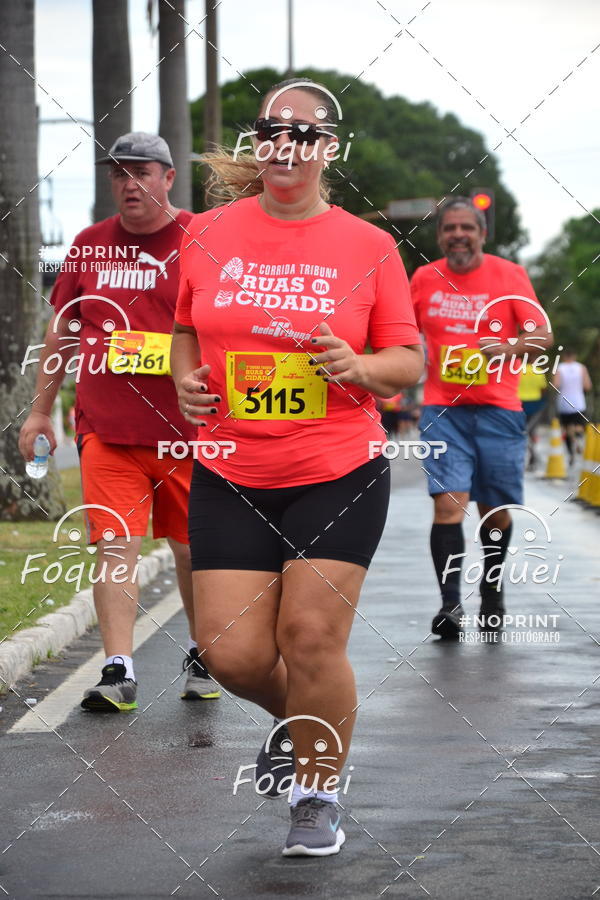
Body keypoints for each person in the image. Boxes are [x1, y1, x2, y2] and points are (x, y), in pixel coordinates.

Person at [171, 78, 423, 856]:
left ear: (329, 149)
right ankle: (306, 719)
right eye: (271, 129)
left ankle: (316, 795)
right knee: (232, 654)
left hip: (335, 468)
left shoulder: (368, 245)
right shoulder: (207, 232)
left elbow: (408, 361)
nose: (286, 143)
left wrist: (359, 363)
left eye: (304, 132)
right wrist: (186, 380)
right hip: (231, 469)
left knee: (309, 636)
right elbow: (186, 326)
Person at [19, 133, 220, 710]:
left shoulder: (202, 240)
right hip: (107, 430)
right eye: (119, 175)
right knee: (115, 546)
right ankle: (118, 670)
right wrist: (39, 410)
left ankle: (203, 652)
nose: (129, 184)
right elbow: (60, 333)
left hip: (188, 432)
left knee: (190, 552)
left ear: (168, 178)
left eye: (142, 173)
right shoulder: (88, 246)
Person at [410, 197, 552, 637]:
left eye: (466, 228)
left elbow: (543, 336)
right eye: (449, 228)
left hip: (499, 412)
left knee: (495, 512)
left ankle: (491, 591)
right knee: (448, 505)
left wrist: (507, 350)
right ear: (440, 236)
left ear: (482, 234)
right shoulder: (423, 278)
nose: (458, 235)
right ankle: (450, 604)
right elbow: (396, 330)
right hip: (443, 411)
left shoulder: (509, 276)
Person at [553, 349, 592, 464]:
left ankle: (571, 452)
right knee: (578, 426)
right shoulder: (581, 368)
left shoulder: (559, 368)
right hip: (579, 402)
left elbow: (556, 385)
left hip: (564, 403)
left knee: (566, 428)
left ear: (564, 356)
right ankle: (579, 438)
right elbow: (587, 386)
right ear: (574, 356)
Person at [518, 359, 548, 470]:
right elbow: (543, 389)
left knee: (521, 431)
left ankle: (523, 456)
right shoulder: (538, 371)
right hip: (535, 405)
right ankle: (532, 456)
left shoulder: (517, 370)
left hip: (519, 404)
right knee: (532, 431)